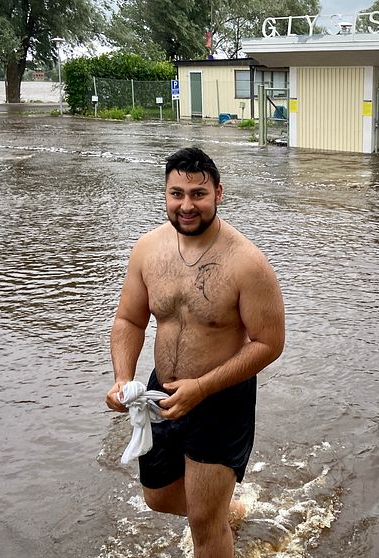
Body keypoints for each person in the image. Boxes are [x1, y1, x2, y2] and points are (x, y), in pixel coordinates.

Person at [106, 146, 286, 557]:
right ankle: (229, 511)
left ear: (218, 194)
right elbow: (129, 321)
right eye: (177, 194)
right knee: (157, 496)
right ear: (166, 194)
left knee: (205, 525)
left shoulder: (247, 263)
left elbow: (270, 343)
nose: (187, 205)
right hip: (162, 396)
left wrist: (202, 388)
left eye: (198, 194)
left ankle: (215, 518)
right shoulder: (148, 250)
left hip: (221, 401)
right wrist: (122, 378)